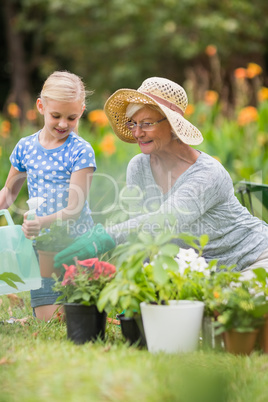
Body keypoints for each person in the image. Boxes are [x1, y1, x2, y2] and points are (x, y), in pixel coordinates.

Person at [54, 76, 268, 273]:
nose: (137, 133)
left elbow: (165, 220)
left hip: (255, 259)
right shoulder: (138, 166)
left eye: (147, 123)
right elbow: (142, 236)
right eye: (133, 123)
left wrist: (103, 237)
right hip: (204, 273)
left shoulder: (208, 174)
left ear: (174, 126)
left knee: (236, 307)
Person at [0, 71, 99, 321]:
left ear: (82, 111)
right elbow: (9, 192)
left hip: (76, 244)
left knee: (74, 314)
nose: (63, 124)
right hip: (42, 248)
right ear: (41, 107)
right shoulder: (25, 147)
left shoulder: (80, 152)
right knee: (49, 318)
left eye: (72, 117)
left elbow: (74, 208)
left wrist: (40, 222)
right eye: (56, 116)